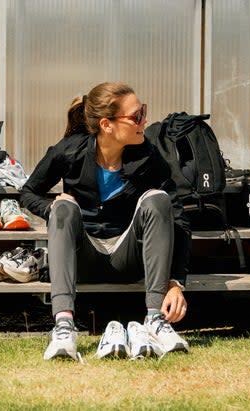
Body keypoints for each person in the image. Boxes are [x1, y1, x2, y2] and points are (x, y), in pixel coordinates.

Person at [19, 82, 191, 361]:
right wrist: (52, 207)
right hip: (82, 259)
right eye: (136, 116)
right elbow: (28, 192)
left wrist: (175, 282)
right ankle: (63, 326)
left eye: (143, 112)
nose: (144, 121)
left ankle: (155, 319)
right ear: (107, 125)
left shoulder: (148, 156)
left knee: (158, 199)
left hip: (130, 258)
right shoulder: (69, 151)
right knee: (62, 206)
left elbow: (179, 218)